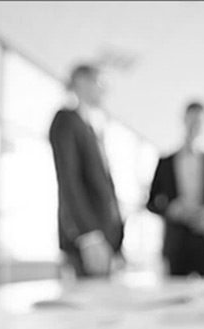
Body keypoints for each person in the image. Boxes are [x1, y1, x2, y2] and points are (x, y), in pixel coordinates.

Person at [49, 64, 123, 278]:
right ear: (81, 82)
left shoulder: (90, 128)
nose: (103, 90)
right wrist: (89, 235)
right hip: (88, 238)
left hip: (105, 236)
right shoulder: (66, 120)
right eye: (99, 83)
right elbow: (68, 180)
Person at [147, 101, 204, 276]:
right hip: (176, 242)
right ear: (184, 120)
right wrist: (170, 210)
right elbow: (151, 202)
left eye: (199, 121)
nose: (195, 125)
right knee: (174, 292)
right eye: (191, 119)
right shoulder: (166, 163)